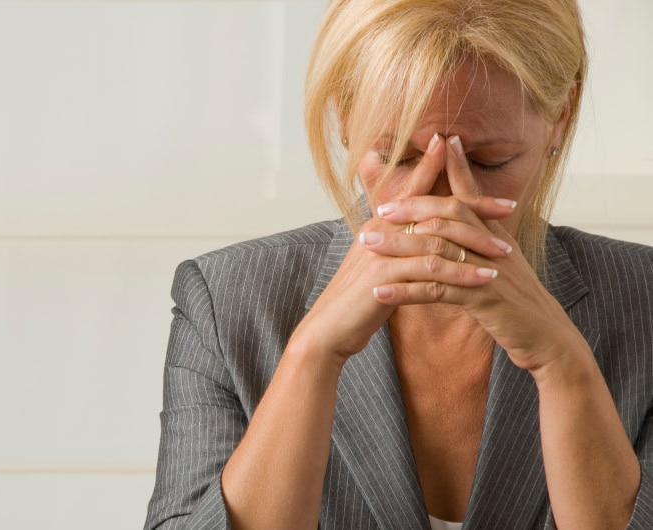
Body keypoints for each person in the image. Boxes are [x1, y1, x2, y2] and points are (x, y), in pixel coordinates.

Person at [145, 1, 653, 528]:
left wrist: (563, 365)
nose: (441, 199)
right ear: (342, 115)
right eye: (397, 158)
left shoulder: (645, 302)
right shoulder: (225, 304)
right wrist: (312, 356)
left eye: (487, 162)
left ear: (559, 116)